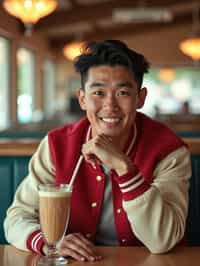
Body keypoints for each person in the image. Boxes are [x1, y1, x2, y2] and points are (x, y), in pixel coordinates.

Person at [4, 40, 191, 262]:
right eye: (98, 92)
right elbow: (16, 218)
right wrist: (48, 242)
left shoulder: (169, 151)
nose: (110, 105)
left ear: (140, 98)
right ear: (82, 98)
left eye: (122, 92)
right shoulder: (57, 145)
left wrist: (124, 168)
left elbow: (163, 240)